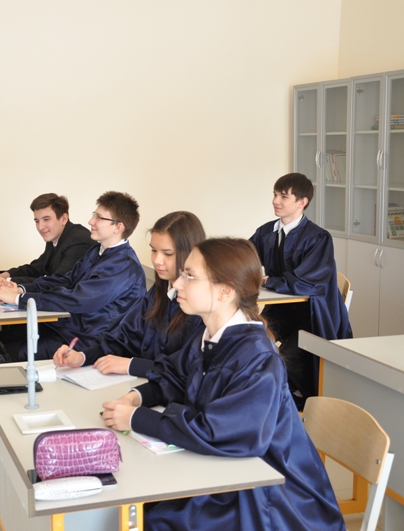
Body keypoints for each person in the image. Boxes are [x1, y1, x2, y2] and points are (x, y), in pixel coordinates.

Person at [102, 238, 345, 530]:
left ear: (225, 291)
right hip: (227, 472)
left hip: (270, 495)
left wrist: (136, 418)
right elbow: (175, 377)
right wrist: (136, 397)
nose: (177, 283)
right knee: (142, 503)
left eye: (190, 276)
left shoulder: (257, 358)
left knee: (154, 518)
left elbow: (218, 432)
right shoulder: (211, 335)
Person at [0, 191, 145, 360]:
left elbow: (78, 299)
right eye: (94, 215)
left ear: (118, 227)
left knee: (4, 353)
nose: (91, 221)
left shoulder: (124, 265)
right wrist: (21, 289)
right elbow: (65, 280)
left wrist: (20, 299)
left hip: (91, 341)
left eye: (99, 218)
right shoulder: (96, 250)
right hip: (68, 327)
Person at [53, 211, 205, 377]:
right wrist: (82, 357)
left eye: (167, 253)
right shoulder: (158, 292)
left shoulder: (200, 307)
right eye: (154, 250)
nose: (157, 260)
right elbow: (125, 338)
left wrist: (132, 365)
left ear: (191, 254)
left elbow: (185, 369)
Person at [249, 172, 352, 409]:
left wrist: (267, 282)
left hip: (313, 315)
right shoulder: (267, 232)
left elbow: (305, 283)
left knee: (289, 357)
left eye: (284, 196)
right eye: (275, 194)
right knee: (252, 339)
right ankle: (266, 396)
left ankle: (302, 404)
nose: (276, 201)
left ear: (302, 202)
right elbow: (244, 258)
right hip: (282, 311)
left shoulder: (318, 238)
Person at [0, 193, 92, 289]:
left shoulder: (78, 240)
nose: (40, 227)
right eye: (37, 221)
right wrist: (5, 275)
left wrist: (6, 281)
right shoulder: (56, 236)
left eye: (46, 219)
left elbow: (58, 281)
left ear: (64, 219)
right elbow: (37, 268)